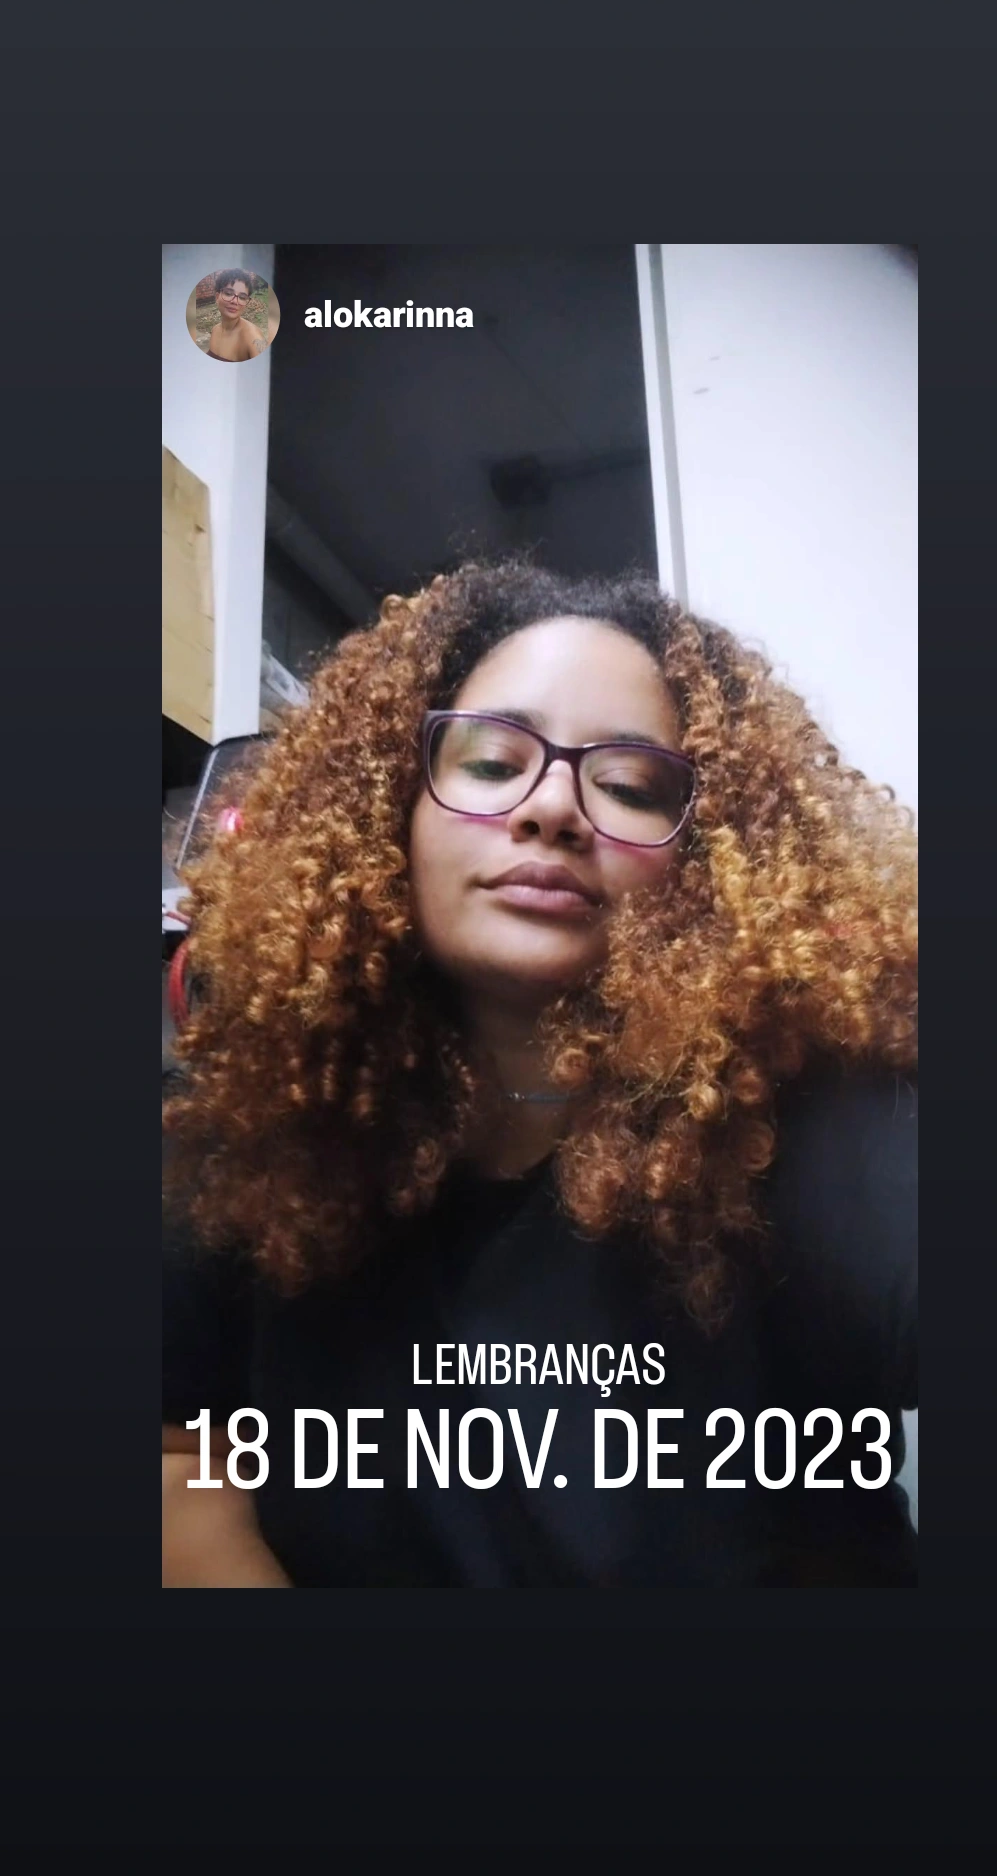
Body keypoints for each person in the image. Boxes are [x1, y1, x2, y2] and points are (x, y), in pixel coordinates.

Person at [163, 560, 918, 1587]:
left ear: (707, 863)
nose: (554, 807)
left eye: (630, 786)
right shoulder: (245, 1125)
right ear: (390, 810)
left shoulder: (819, 1128)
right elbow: (180, 1459)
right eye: (489, 763)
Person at [202, 269, 268, 362]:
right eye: (228, 293)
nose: (235, 301)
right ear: (217, 297)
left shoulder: (252, 337)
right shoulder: (215, 330)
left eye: (242, 297)